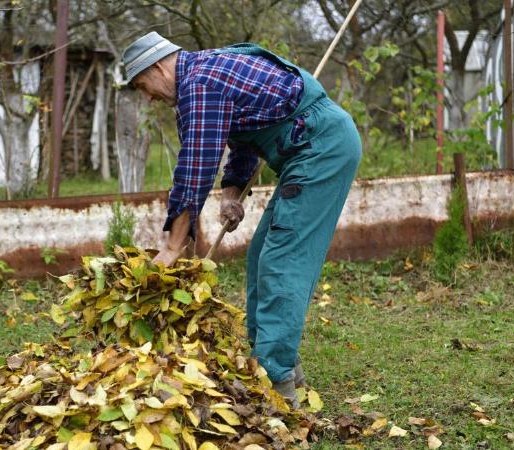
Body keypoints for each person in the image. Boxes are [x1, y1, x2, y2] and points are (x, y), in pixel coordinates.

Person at [121, 32, 362, 408]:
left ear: (158, 68)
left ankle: (275, 385)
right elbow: (243, 136)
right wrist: (231, 193)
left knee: (282, 262)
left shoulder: (200, 85)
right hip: (307, 149)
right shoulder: (205, 73)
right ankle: (275, 362)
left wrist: (172, 247)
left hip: (321, 149)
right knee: (261, 256)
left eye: (142, 85)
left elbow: (195, 170)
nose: (148, 97)